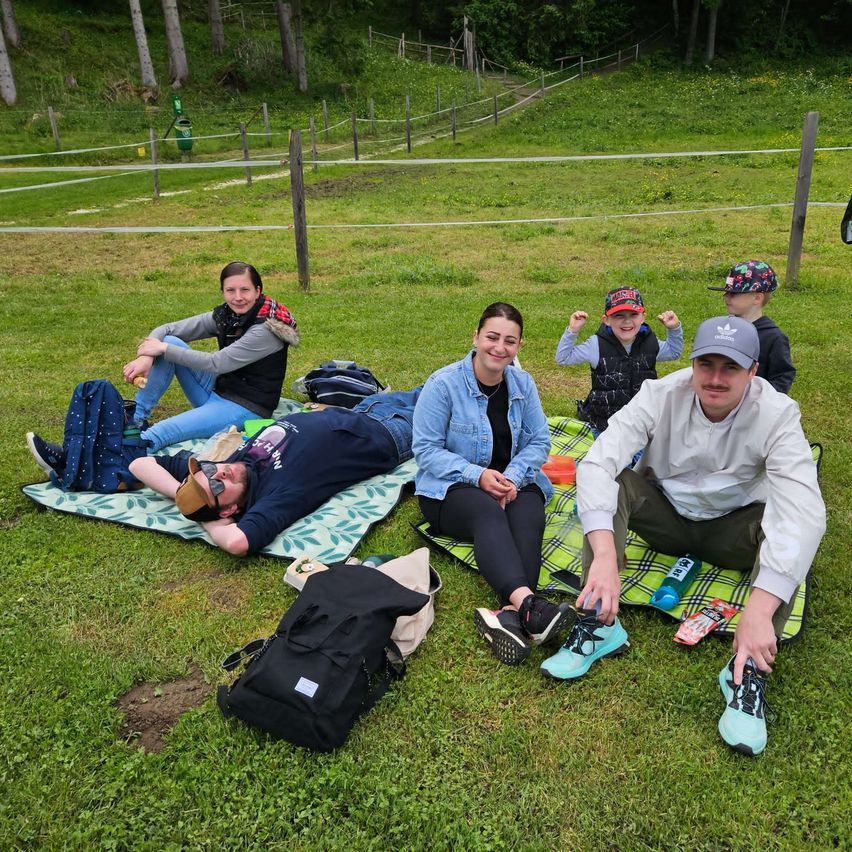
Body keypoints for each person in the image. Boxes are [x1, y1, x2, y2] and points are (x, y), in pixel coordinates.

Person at [540, 316, 826, 757]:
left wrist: (759, 606)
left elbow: (803, 513)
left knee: (788, 525)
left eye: (729, 368)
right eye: (705, 364)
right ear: (691, 364)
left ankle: (746, 668)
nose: (714, 379)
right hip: (666, 519)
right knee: (611, 479)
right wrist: (601, 555)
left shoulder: (777, 414)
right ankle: (601, 622)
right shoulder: (660, 394)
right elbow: (598, 461)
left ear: (753, 372)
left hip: (735, 530)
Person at [412, 302, 573, 667]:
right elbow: (425, 451)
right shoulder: (443, 386)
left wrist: (513, 478)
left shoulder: (523, 383)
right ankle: (531, 605)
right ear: (476, 337)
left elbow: (538, 442)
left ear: (518, 346)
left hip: (512, 481)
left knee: (529, 514)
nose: (499, 348)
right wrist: (478, 475)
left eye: (510, 341)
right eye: (492, 337)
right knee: (488, 512)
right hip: (450, 489)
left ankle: (512, 614)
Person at [128, 388, 421, 556]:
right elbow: (237, 543)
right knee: (458, 392)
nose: (219, 474)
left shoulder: (230, 464)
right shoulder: (275, 497)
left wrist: (185, 497)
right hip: (390, 432)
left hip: (363, 410)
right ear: (229, 510)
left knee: (443, 380)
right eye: (216, 488)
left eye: (207, 470)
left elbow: (139, 465)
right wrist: (212, 520)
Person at [121, 261, 299, 452]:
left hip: (246, 409)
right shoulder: (228, 315)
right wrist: (146, 357)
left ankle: (122, 461)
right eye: (230, 290)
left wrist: (162, 348)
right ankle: (135, 419)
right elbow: (167, 330)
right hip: (218, 391)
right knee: (171, 341)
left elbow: (217, 363)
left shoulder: (266, 330)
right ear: (223, 291)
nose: (238, 297)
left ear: (258, 291)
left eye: (245, 290)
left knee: (161, 431)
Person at [556, 286, 682, 435]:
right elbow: (563, 358)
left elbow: (674, 352)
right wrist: (573, 330)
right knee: (611, 459)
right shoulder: (596, 345)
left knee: (646, 459)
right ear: (606, 320)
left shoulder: (650, 343)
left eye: (633, 315)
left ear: (643, 317)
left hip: (643, 425)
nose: (627, 321)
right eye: (619, 315)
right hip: (606, 427)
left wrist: (674, 329)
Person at [708, 259, 795, 393]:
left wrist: (764, 400)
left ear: (757, 298)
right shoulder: (725, 329)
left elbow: (782, 377)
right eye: (726, 292)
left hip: (755, 405)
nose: (726, 297)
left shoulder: (773, 337)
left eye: (734, 293)